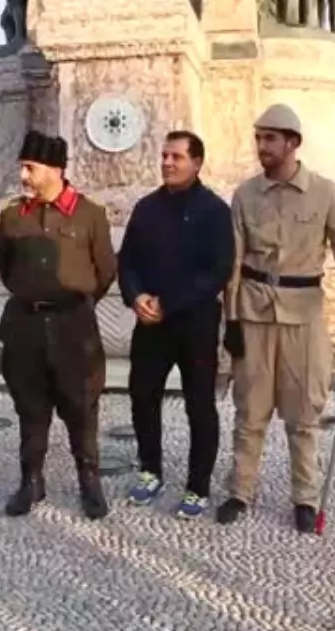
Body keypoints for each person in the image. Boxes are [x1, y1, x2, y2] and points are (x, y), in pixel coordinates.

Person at [218, 103, 335, 533]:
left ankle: (305, 498)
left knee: (303, 415)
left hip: (303, 316)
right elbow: (233, 259)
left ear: (293, 142)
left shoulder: (323, 192)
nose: (262, 146)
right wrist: (230, 319)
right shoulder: (245, 194)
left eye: (271, 138)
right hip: (253, 312)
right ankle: (240, 491)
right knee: (249, 411)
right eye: (259, 138)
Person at [0, 130, 117, 520]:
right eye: (22, 168)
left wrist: (73, 304)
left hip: (72, 329)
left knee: (81, 407)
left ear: (55, 169)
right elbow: (7, 268)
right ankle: (31, 480)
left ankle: (89, 481)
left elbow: (105, 271)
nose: (24, 176)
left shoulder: (90, 214)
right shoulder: (13, 216)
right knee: (30, 407)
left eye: (30, 168)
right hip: (25, 328)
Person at [118, 130, 233, 519]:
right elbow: (127, 260)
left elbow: (217, 272)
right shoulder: (146, 208)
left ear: (197, 163)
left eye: (176, 157)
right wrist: (136, 296)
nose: (167, 163)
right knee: (141, 395)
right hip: (150, 323)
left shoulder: (215, 211)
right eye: (164, 155)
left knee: (199, 406)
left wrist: (170, 304)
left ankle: (198, 486)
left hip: (195, 324)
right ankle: (150, 470)